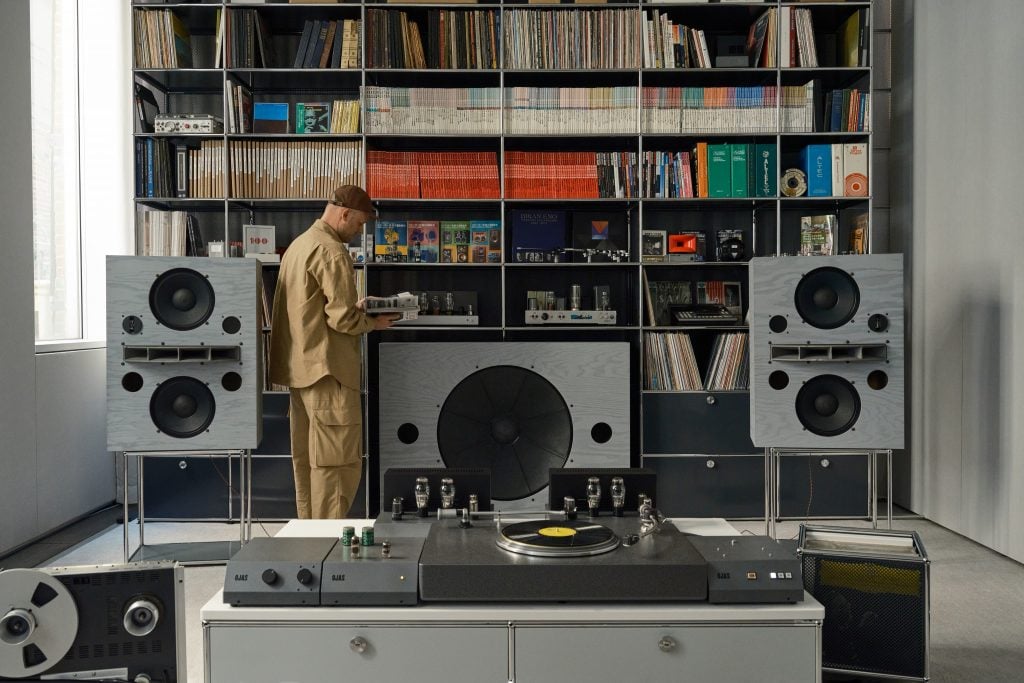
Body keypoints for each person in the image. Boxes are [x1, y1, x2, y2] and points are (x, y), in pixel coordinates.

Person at [268, 185, 397, 519]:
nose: (358, 232)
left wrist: (354, 310)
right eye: (359, 224)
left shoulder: (299, 246)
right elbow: (342, 319)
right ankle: (329, 546)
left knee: (308, 464)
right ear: (345, 213)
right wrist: (373, 321)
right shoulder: (332, 251)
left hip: (300, 372)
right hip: (330, 373)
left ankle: (310, 542)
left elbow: (310, 309)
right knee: (336, 467)